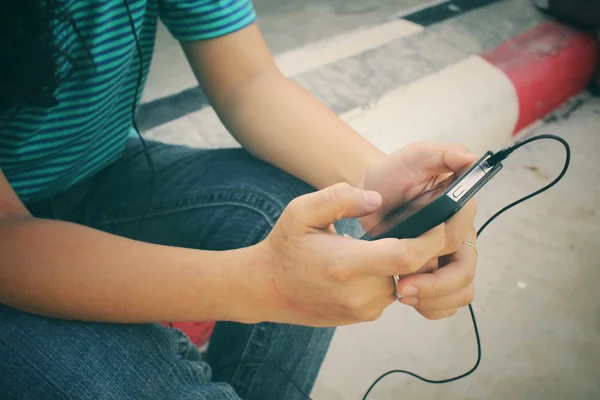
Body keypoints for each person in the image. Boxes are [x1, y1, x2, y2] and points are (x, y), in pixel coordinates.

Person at [0, 1, 479, 399]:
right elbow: (8, 238)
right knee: (143, 379)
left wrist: (378, 191)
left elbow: (247, 81)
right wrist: (265, 285)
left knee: (321, 215)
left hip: (100, 167)